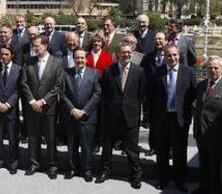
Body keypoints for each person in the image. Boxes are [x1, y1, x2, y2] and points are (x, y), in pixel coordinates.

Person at [95, 43, 145, 189]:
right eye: (123, 52)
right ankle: (105, 171)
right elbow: (104, 93)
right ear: (117, 54)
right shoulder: (108, 71)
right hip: (112, 115)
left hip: (130, 115)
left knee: (131, 148)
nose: (126, 55)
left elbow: (141, 94)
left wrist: (133, 108)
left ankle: (136, 175)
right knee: (107, 146)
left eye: (129, 52)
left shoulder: (139, 71)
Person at [147, 45, 196, 192]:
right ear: (165, 56)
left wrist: (185, 109)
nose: (172, 58)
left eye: (174, 55)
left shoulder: (188, 72)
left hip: (180, 118)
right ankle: (163, 179)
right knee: (162, 151)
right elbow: (152, 94)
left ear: (179, 56)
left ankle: (180, 180)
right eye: (169, 55)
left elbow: (193, 93)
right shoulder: (158, 72)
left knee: (180, 151)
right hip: (162, 117)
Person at [21, 35, 64, 180]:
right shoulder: (29, 62)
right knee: (33, 137)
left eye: (37, 45)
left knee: (50, 138)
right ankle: (34, 163)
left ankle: (52, 165)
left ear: (45, 46)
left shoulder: (57, 63)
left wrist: (43, 101)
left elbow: (58, 86)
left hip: (48, 108)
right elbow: (24, 83)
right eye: (33, 46)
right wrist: (32, 101)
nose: (34, 48)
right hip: (32, 107)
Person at [62, 47, 101, 181]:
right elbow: (62, 94)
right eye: (77, 58)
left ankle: (87, 170)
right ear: (73, 59)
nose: (80, 60)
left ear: (87, 58)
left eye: (82, 57)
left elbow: (97, 94)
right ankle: (73, 168)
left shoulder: (94, 73)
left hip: (87, 116)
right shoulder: (66, 73)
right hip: (71, 115)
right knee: (72, 145)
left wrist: (84, 110)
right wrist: (72, 109)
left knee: (86, 145)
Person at [0, 44, 22, 174]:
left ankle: (13, 161)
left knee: (13, 137)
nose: (3, 56)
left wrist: (8, 104)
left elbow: (19, 90)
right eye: (1, 54)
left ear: (12, 55)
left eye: (6, 54)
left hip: (11, 109)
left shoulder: (19, 69)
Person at [193, 55, 222, 194]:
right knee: (203, 163)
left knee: (215, 165)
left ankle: (215, 190)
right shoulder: (201, 85)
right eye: (210, 67)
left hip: (216, 135)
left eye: (216, 67)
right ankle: (203, 188)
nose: (213, 70)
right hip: (201, 132)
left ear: (221, 69)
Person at [140, 31, 168, 156]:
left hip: (166, 94)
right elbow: (142, 73)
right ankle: (153, 146)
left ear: (166, 41)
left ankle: (167, 148)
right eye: (156, 39)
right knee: (153, 122)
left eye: (160, 39)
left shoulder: (171, 55)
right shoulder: (148, 57)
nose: (158, 41)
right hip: (151, 95)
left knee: (166, 123)